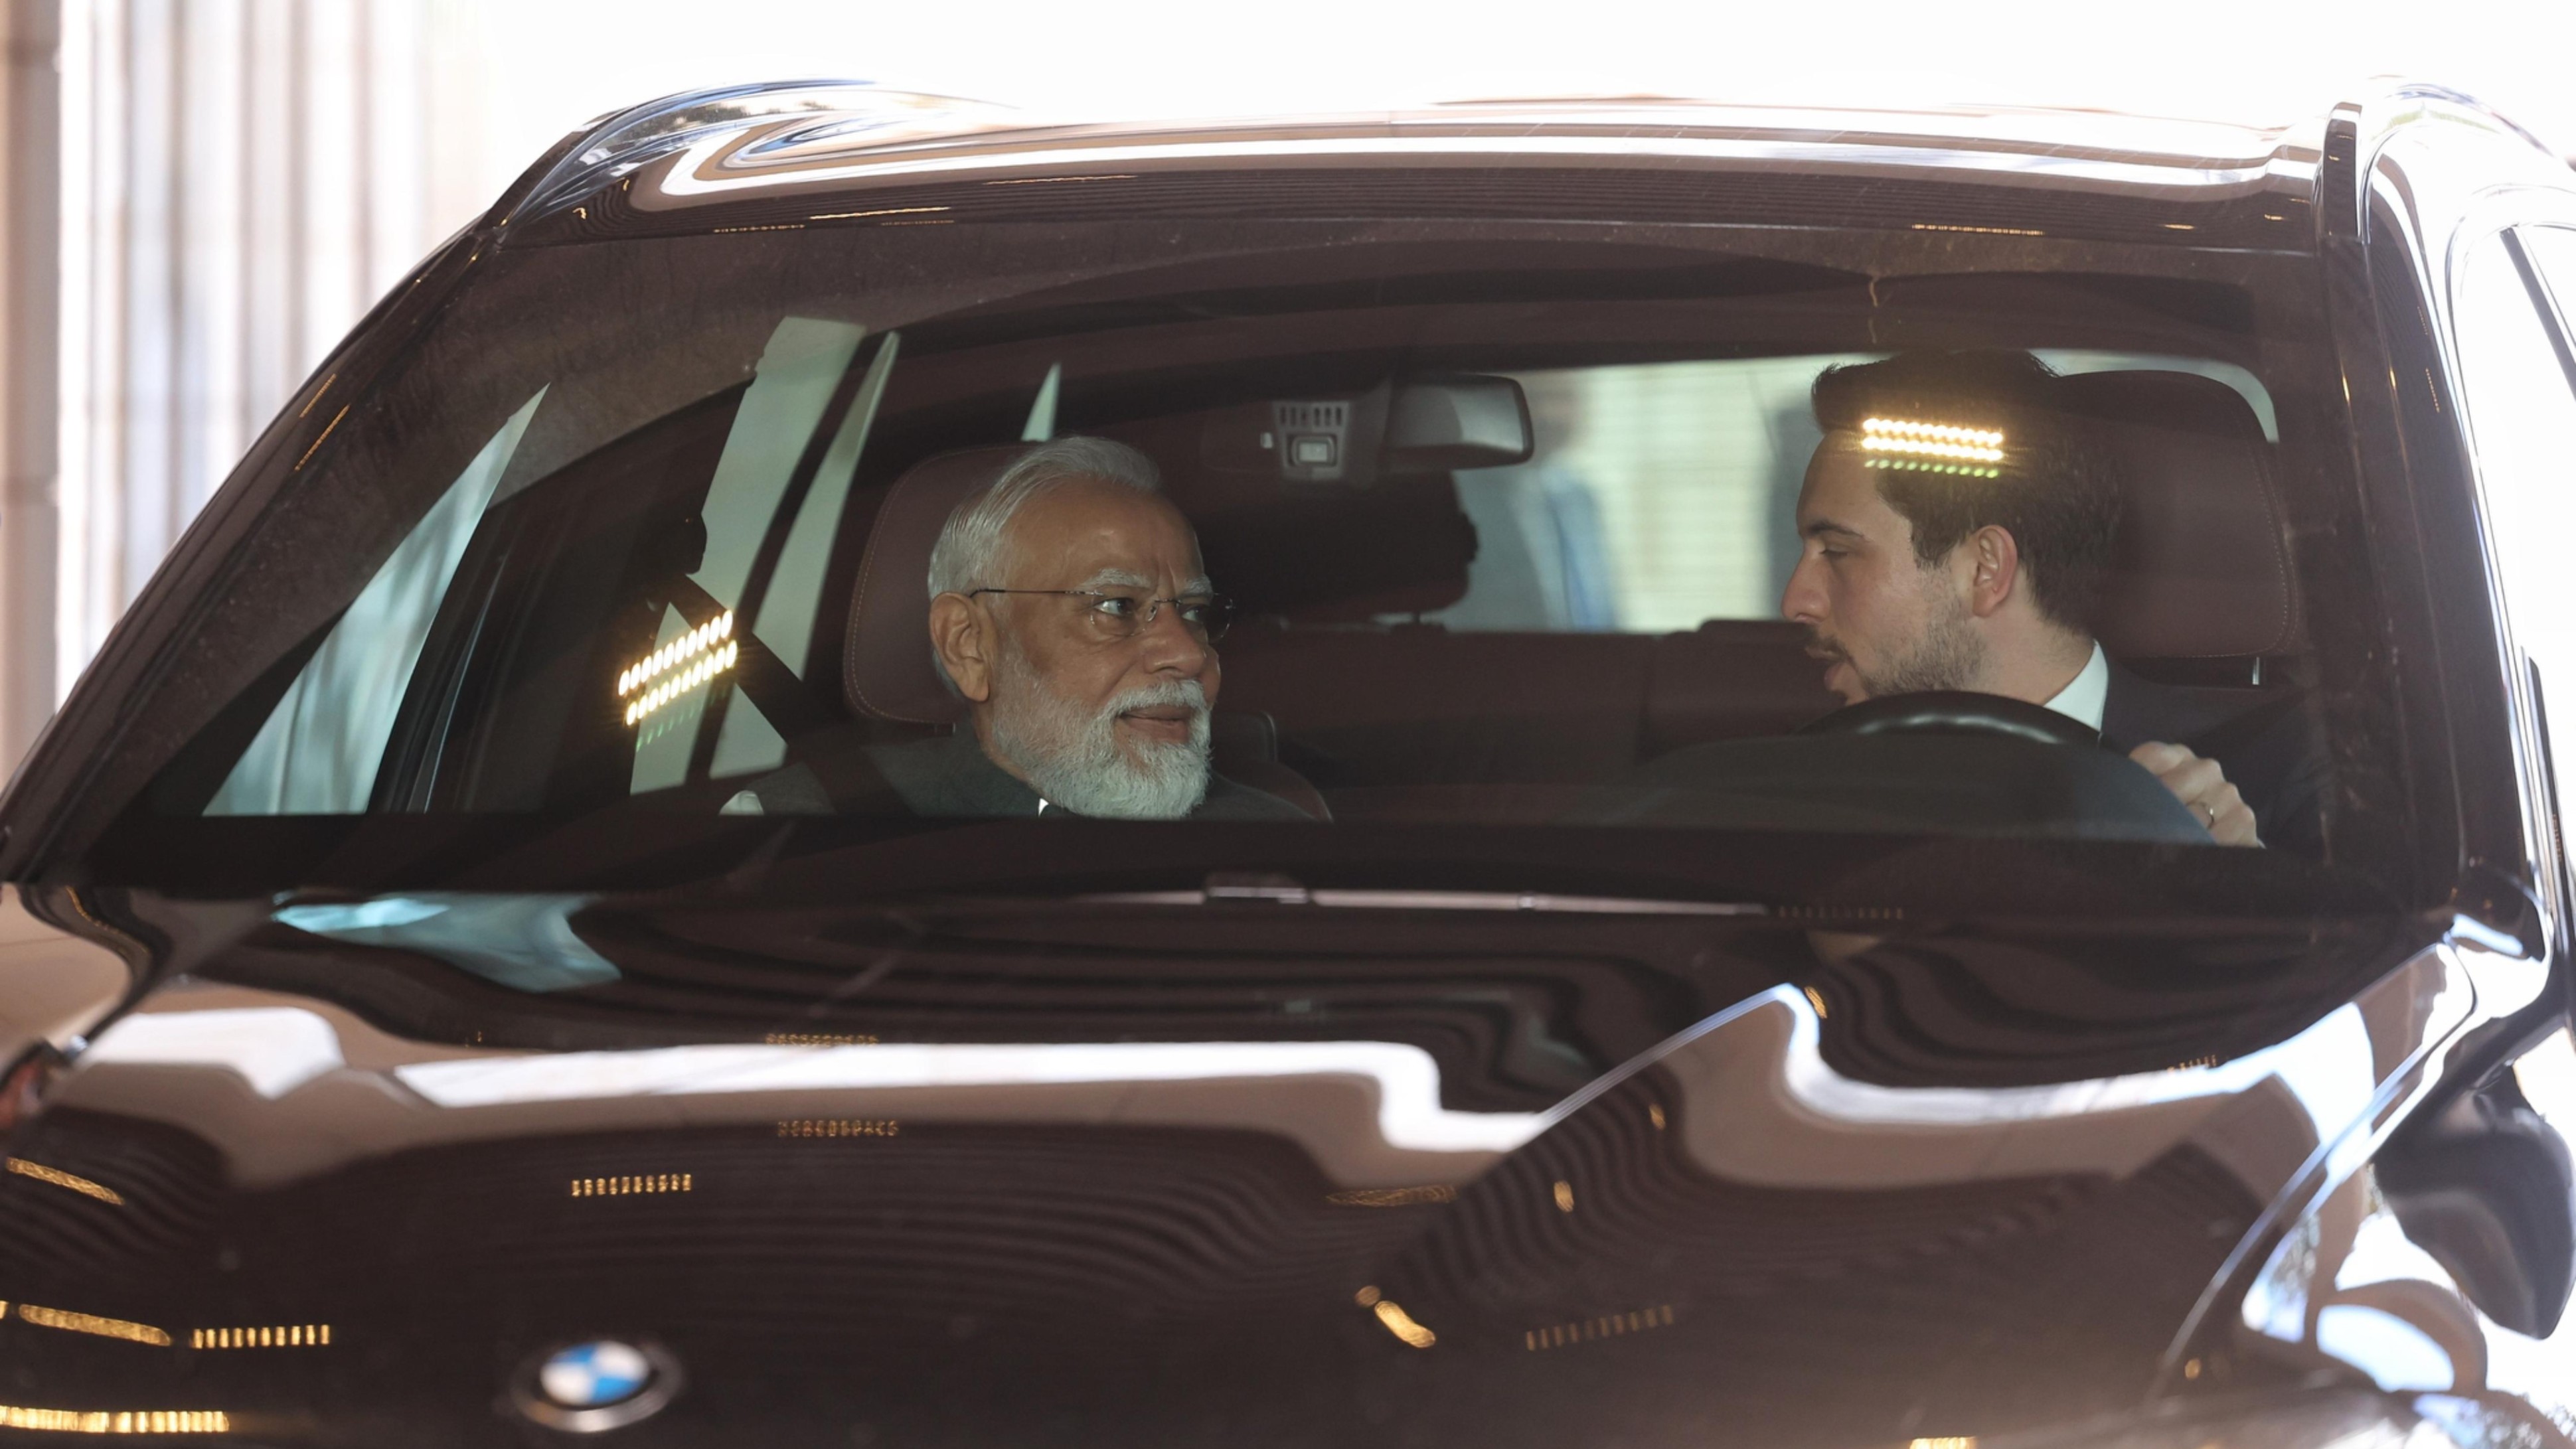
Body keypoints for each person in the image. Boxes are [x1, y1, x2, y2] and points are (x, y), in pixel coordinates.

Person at [1781, 350, 2320, 849]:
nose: (1795, 601)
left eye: (1836, 551)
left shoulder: (2285, 774)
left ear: (1986, 569)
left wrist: (2235, 884)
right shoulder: (1798, 790)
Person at [860, 436, 1309, 821]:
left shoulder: (1276, 841)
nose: (1190, 655)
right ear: (970, 646)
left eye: (1193, 612)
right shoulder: (832, 834)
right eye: (1117, 606)